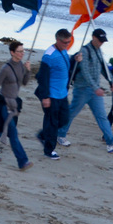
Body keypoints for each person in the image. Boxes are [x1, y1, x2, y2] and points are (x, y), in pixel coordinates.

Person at [58, 28, 113, 153]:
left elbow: (103, 67)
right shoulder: (84, 51)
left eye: (103, 41)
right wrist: (96, 88)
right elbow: (85, 72)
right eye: (100, 40)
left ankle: (111, 143)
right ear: (93, 38)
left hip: (95, 91)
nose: (101, 43)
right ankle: (60, 134)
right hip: (83, 89)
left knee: (101, 116)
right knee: (72, 112)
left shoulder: (98, 51)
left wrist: (111, 81)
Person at [0, 41, 33, 170]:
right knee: (12, 132)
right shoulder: (5, 68)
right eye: (20, 51)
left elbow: (25, 82)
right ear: (12, 52)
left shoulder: (21, 66)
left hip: (14, 103)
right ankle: (23, 161)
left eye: (23, 51)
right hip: (3, 104)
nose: (22, 53)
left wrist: (28, 71)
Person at [34, 29, 74, 160]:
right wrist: (45, 96)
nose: (67, 44)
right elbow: (42, 77)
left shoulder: (63, 50)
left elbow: (65, 67)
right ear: (58, 40)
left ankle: (44, 135)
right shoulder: (49, 55)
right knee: (52, 122)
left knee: (64, 119)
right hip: (51, 94)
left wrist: (75, 59)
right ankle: (49, 150)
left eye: (69, 42)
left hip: (62, 93)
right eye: (65, 42)